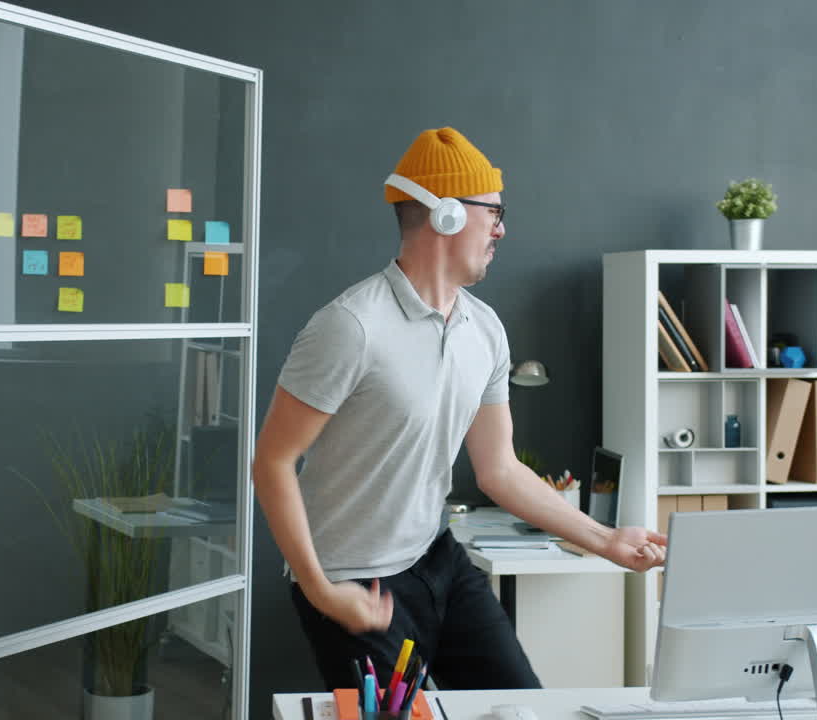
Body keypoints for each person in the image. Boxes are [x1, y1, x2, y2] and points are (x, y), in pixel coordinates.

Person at [252, 127, 666, 690]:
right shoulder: (350, 327)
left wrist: (605, 540)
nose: (501, 228)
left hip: (436, 558)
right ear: (445, 214)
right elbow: (272, 462)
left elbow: (499, 470)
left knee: (520, 704)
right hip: (354, 583)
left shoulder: (485, 328)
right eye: (493, 212)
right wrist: (322, 591)